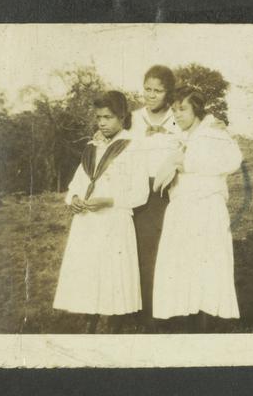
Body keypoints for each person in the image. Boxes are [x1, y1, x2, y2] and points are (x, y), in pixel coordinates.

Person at [53, 91, 149, 333]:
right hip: (88, 221)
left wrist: (109, 201)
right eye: (99, 117)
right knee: (90, 272)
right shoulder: (93, 146)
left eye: (108, 117)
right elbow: (78, 181)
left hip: (114, 219)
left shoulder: (133, 147)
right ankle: (90, 323)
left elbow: (140, 194)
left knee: (112, 274)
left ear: (123, 117)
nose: (102, 123)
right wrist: (73, 198)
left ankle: (114, 325)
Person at [152, 86, 242, 330]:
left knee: (207, 266)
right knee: (183, 267)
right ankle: (187, 322)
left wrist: (188, 163)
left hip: (206, 209)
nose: (177, 115)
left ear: (197, 110)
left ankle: (205, 325)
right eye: (174, 110)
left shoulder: (214, 133)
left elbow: (233, 160)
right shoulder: (180, 137)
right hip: (182, 208)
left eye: (182, 109)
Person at [128, 65, 181, 327]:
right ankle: (140, 311)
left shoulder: (178, 118)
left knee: (163, 253)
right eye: (147, 89)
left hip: (167, 193)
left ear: (168, 93)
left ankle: (164, 312)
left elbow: (196, 137)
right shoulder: (134, 119)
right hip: (136, 192)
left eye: (158, 91)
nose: (151, 95)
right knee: (138, 251)